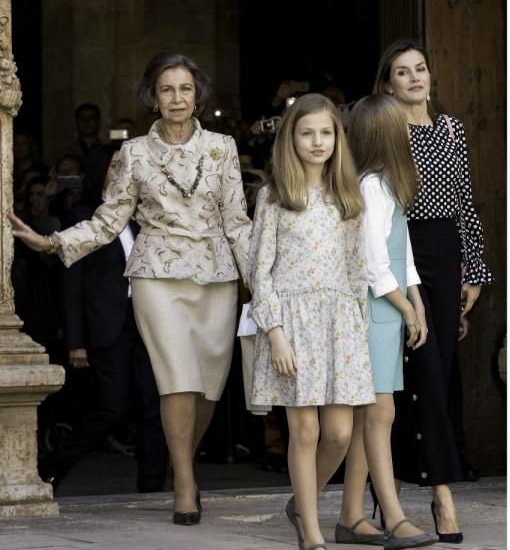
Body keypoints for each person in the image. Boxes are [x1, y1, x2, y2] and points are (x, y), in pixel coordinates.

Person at [9, 51, 252, 525]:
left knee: (206, 391)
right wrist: (51, 240)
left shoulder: (222, 148)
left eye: (185, 88)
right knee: (176, 382)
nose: (177, 98)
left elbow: (239, 224)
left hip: (217, 276)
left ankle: (185, 460)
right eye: (167, 90)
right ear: (153, 98)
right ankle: (184, 481)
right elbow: (108, 221)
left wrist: (260, 284)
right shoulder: (133, 153)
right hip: (157, 275)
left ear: (197, 95)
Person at [375, 39, 493, 543]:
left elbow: (465, 201)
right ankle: (440, 496)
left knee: (438, 374)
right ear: (388, 85)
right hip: (402, 248)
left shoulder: (451, 129)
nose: (414, 78)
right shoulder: (383, 132)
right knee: (410, 373)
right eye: (402, 73)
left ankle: (404, 492)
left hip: (446, 254)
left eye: (420, 68)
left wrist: (474, 272)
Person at [247, 93, 374, 550]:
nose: (317, 141)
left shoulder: (347, 194)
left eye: (326, 132)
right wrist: (276, 334)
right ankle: (312, 532)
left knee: (339, 433)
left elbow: (357, 268)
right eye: (307, 133)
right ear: (291, 138)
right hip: (292, 324)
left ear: (337, 137)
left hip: (339, 324)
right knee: (305, 430)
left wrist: (357, 328)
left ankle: (302, 501)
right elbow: (258, 271)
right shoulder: (275, 196)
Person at [336, 94, 437, 549]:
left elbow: (404, 254)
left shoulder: (387, 185)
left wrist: (415, 301)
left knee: (367, 418)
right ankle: (394, 518)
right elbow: (376, 265)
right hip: (375, 309)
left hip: (388, 308)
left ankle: (351, 516)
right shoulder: (372, 186)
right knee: (381, 413)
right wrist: (406, 306)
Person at [41, 149, 167, 494]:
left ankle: (153, 485)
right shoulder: (81, 215)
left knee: (153, 407)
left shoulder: (143, 215)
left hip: (145, 321)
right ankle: (50, 469)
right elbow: (72, 282)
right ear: (102, 171)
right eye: (115, 165)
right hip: (105, 325)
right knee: (112, 408)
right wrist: (75, 340)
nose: (122, 170)